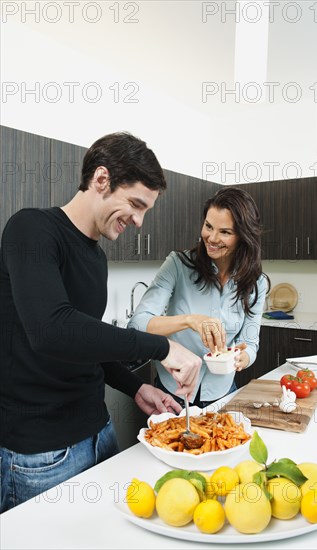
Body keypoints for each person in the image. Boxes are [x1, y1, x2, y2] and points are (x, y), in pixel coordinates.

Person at [0, 132, 202, 513]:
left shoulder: (96, 258)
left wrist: (134, 386)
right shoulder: (31, 230)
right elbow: (52, 330)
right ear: (102, 179)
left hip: (100, 433)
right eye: (136, 204)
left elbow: (84, 343)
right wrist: (163, 346)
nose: (140, 222)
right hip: (42, 454)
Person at [128, 186, 269, 408]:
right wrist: (190, 320)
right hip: (173, 392)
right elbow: (137, 324)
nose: (211, 238)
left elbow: (250, 343)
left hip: (223, 393)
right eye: (208, 226)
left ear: (243, 237)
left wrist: (244, 357)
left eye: (225, 232)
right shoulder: (177, 265)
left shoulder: (256, 283)